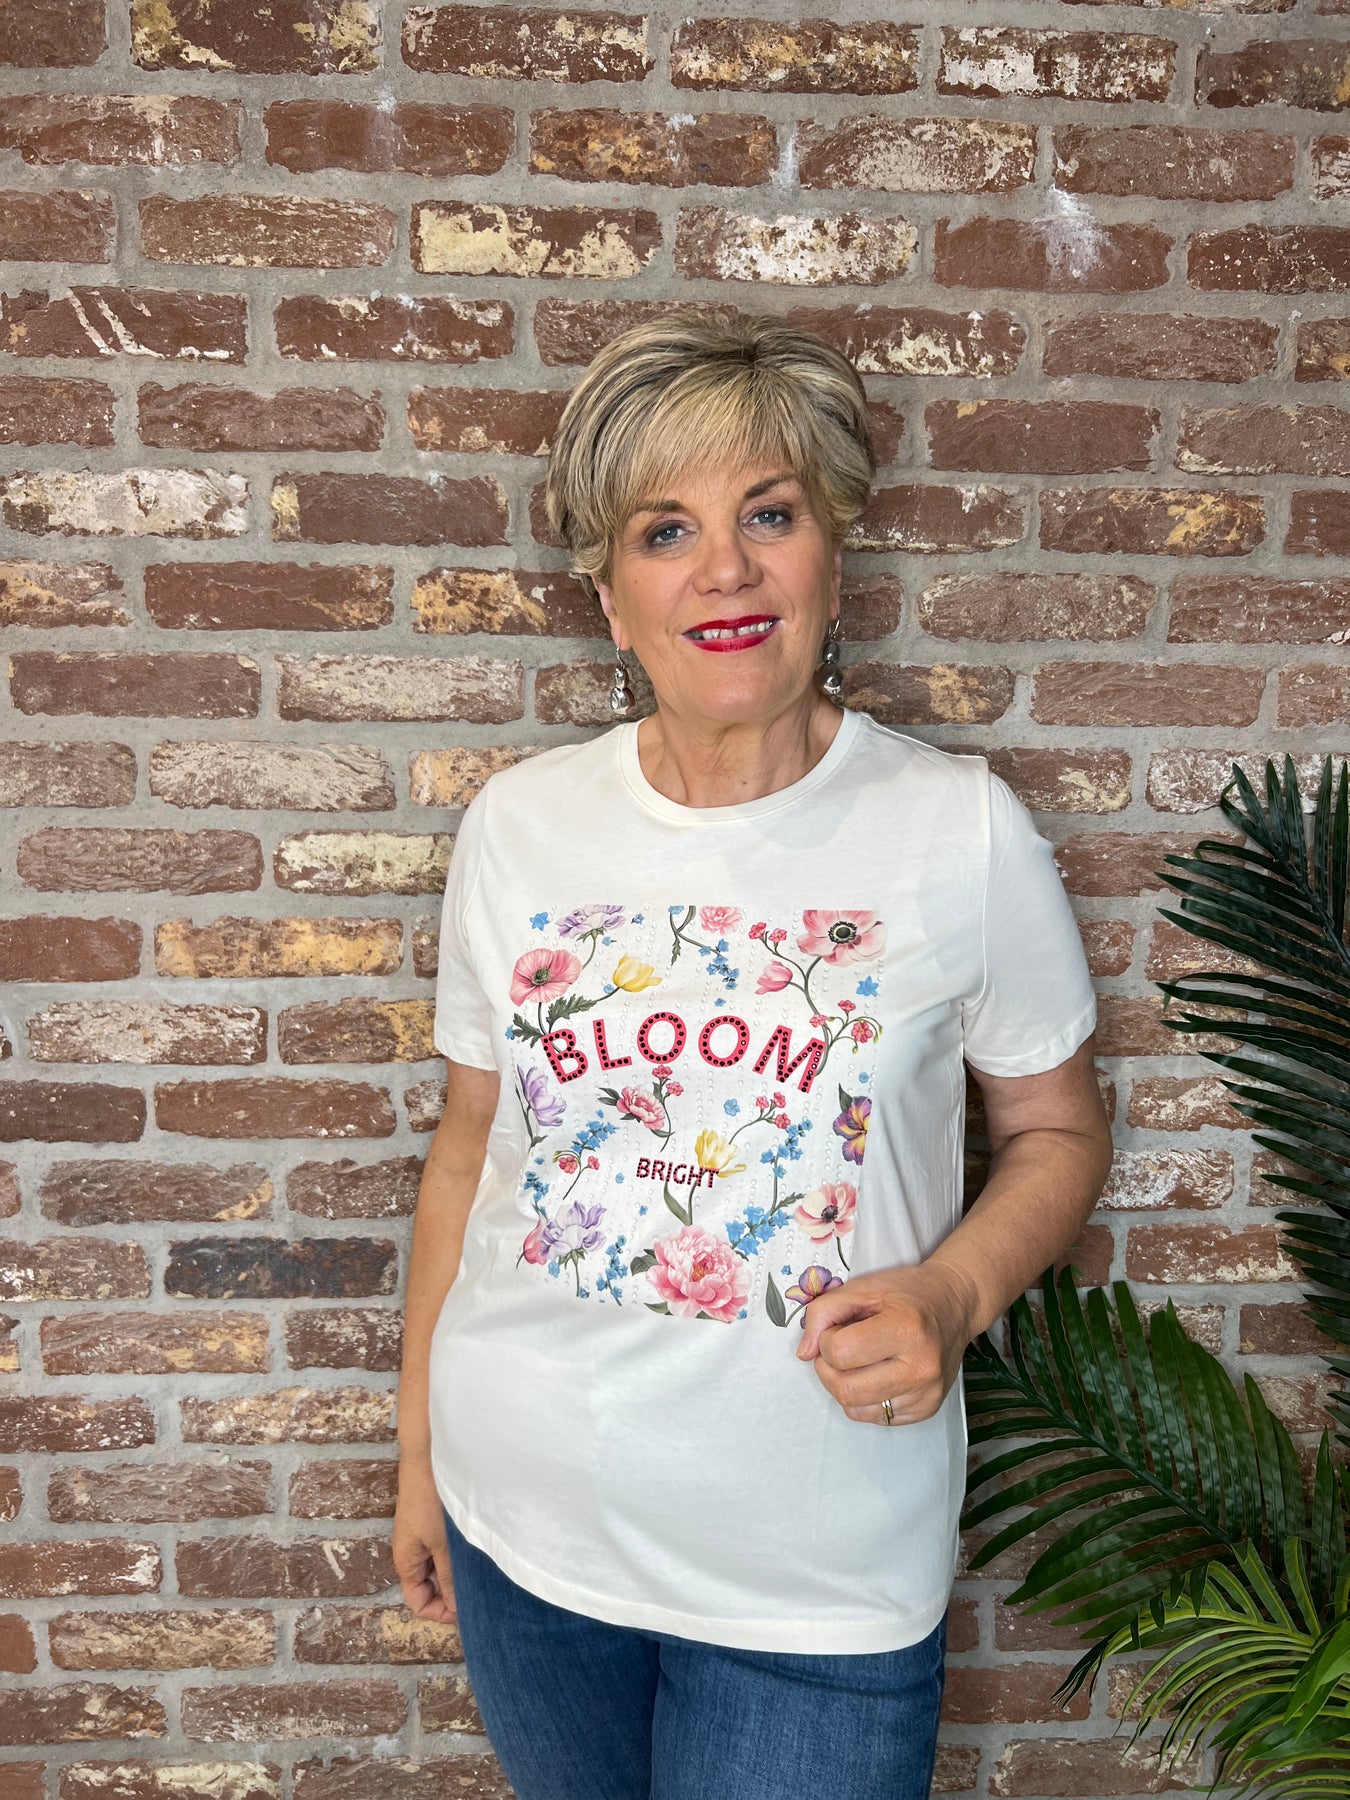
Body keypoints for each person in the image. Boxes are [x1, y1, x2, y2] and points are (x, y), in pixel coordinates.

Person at [392, 309, 1114, 1800]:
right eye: (665, 531)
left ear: (832, 557)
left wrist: (952, 1293)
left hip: (817, 1580)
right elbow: (468, 1152)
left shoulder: (958, 831)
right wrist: (418, 1460)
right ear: (611, 599)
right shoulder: (521, 828)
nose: (723, 568)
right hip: (523, 1527)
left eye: (767, 515)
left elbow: (1054, 1129)